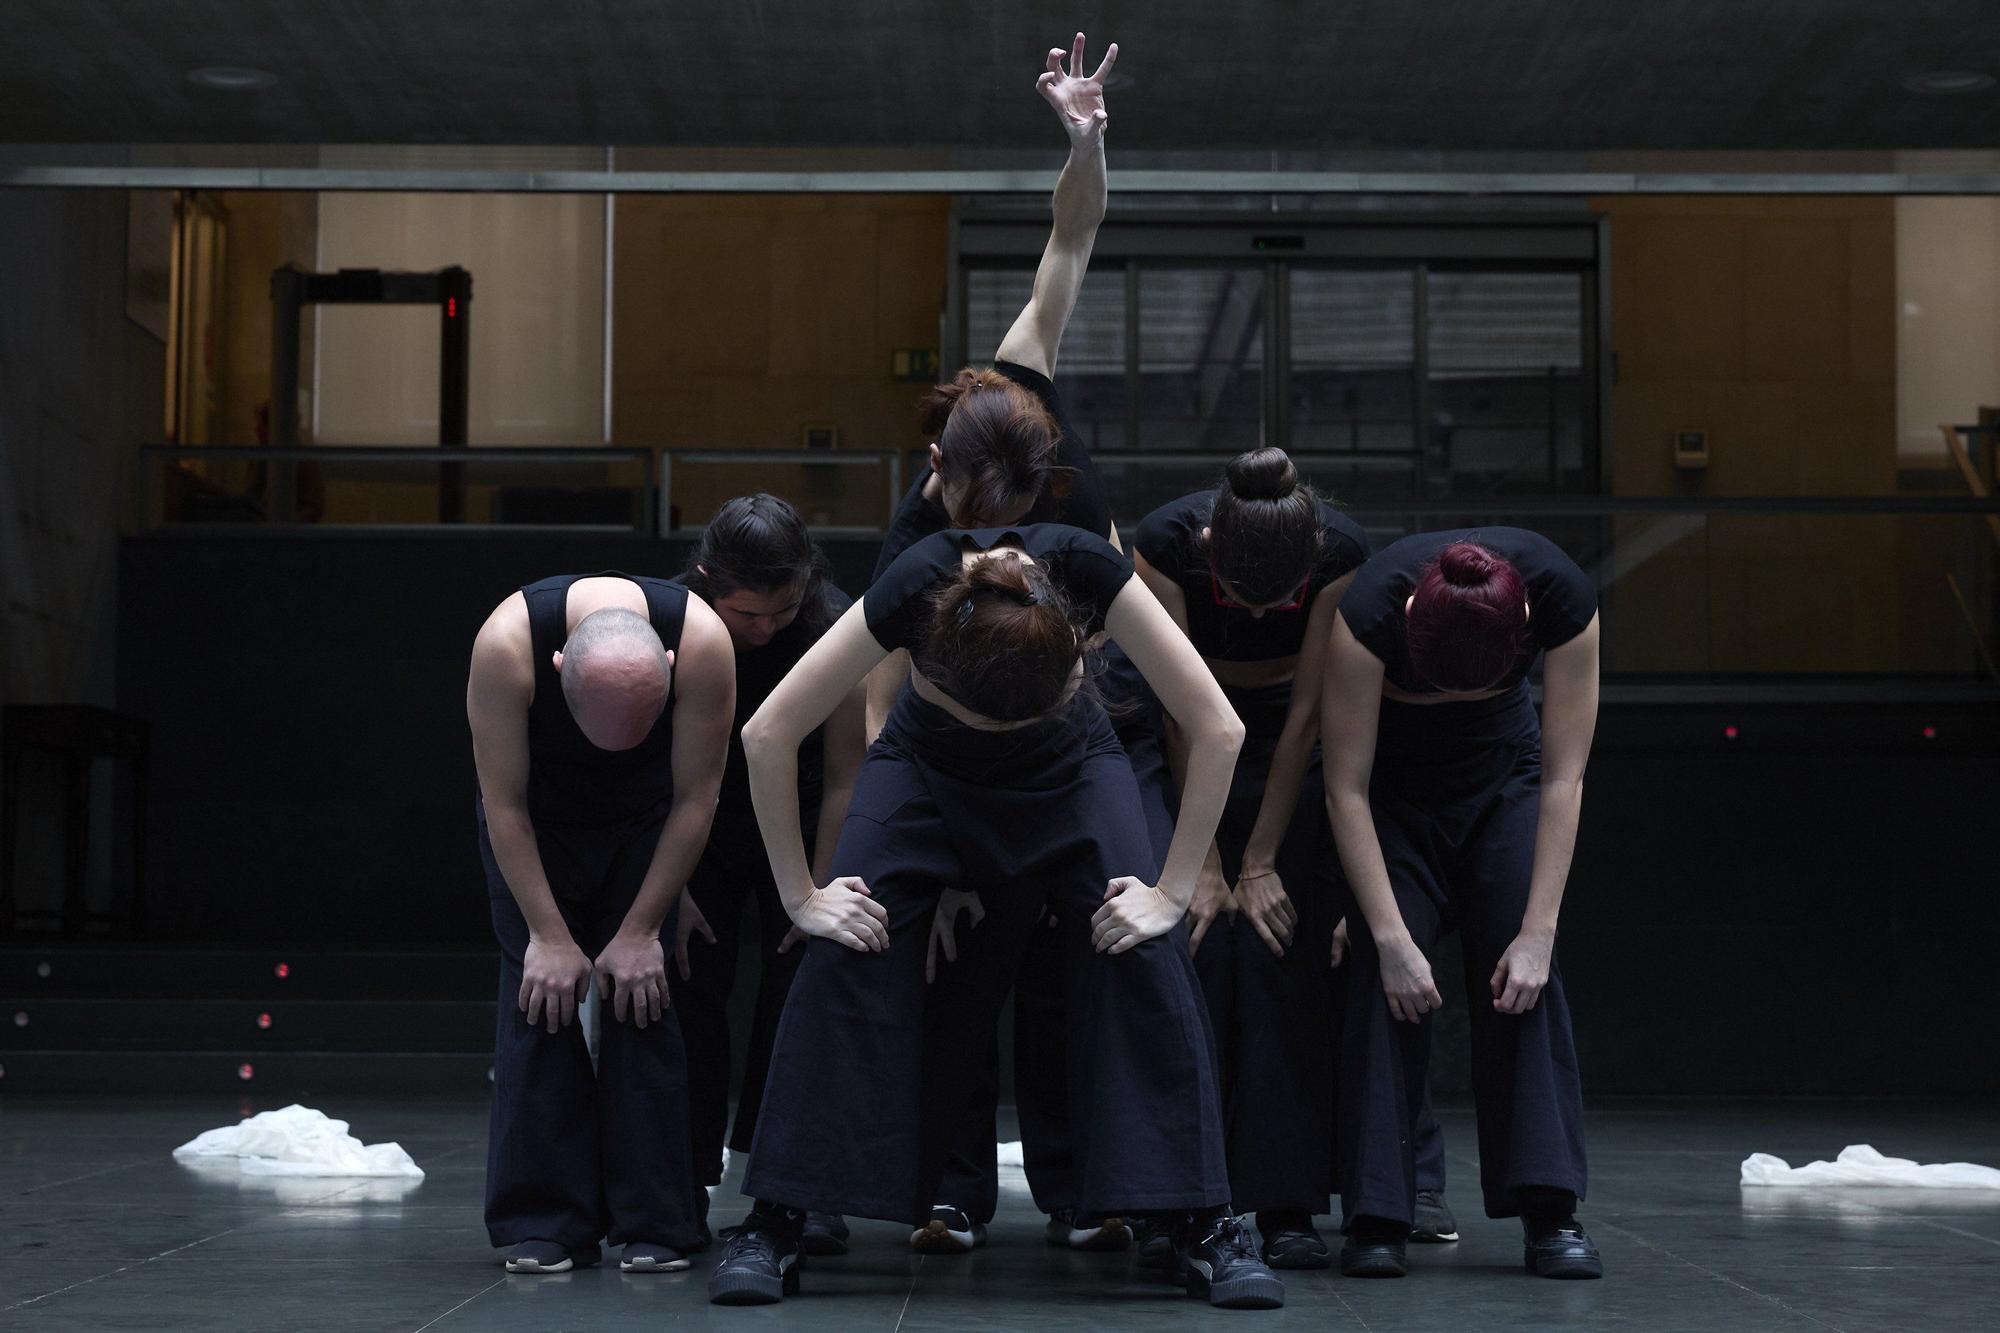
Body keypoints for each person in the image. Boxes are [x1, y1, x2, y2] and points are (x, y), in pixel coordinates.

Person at [705, 520, 1286, 1310]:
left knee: (1143, 945)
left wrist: (1174, 890)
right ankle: (775, 1216)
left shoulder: (1087, 571)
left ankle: (1204, 1220)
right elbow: (767, 731)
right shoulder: (917, 582)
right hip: (927, 762)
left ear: (1076, 648)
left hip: (1073, 761)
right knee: (848, 936)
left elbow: (1219, 726)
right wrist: (802, 896)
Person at [861, 31, 1158, 1258]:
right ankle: (944, 1191)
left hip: (1079, 724)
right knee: (952, 962)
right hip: (956, 743)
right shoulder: (917, 528)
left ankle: (1091, 1190)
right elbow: (879, 691)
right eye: (940, 481)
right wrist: (905, 839)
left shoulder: (1029, 404)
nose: (948, 493)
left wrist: (1084, 145)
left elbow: (1070, 240)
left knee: (1080, 959)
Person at [1321, 529, 1604, 1280]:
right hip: (1393, 788)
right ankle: (1381, 1210)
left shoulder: (1565, 596)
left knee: (1522, 974)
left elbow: (1564, 780)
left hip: (1506, 773)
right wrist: (1386, 935)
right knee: (1388, 980)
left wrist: (1540, 933)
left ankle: (1551, 1211)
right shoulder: (1371, 609)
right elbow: (1343, 785)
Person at [1133, 446, 1375, 1268]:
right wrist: (1196, 860)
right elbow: (1179, 712)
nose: (1260, 611)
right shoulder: (1165, 542)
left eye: (1279, 600)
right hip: (1185, 739)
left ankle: (1286, 1201)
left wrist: (1261, 857)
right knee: (1187, 939)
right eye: (1243, 598)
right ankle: (1175, 1194)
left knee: (1280, 941)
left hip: (1286, 748)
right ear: (1210, 548)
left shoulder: (1339, 549)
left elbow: (1308, 715)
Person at [466, 571, 734, 1273]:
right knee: (541, 996)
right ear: (558, 672)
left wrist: (643, 928)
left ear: (669, 670)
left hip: (650, 818)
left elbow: (697, 799)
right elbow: (504, 806)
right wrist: (549, 937)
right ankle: (545, 1217)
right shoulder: (507, 644)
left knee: (642, 992)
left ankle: (657, 1217)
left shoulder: (702, 641)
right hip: (536, 821)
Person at [668, 495, 864, 1255]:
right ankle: (681, 1179)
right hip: (699, 824)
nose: (763, 630)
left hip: (806, 812)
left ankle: (799, 1187)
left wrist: (815, 894)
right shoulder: (675, 619)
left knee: (800, 995)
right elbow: (651, 770)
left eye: (780, 612)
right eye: (747, 614)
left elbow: (850, 772)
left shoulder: (832, 623)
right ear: (709, 579)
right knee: (687, 990)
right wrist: (668, 888)